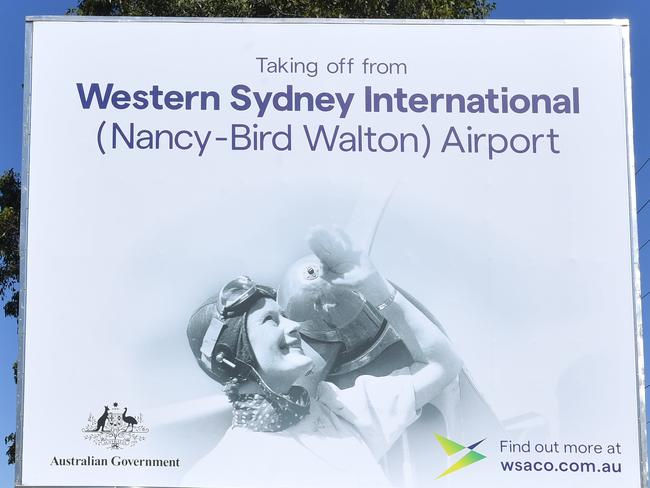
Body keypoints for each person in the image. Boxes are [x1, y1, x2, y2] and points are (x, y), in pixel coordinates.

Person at [183, 228, 463, 488]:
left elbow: (443, 365)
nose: (293, 326)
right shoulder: (218, 474)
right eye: (270, 320)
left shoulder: (338, 412)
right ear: (231, 359)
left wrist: (372, 285)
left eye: (284, 315)